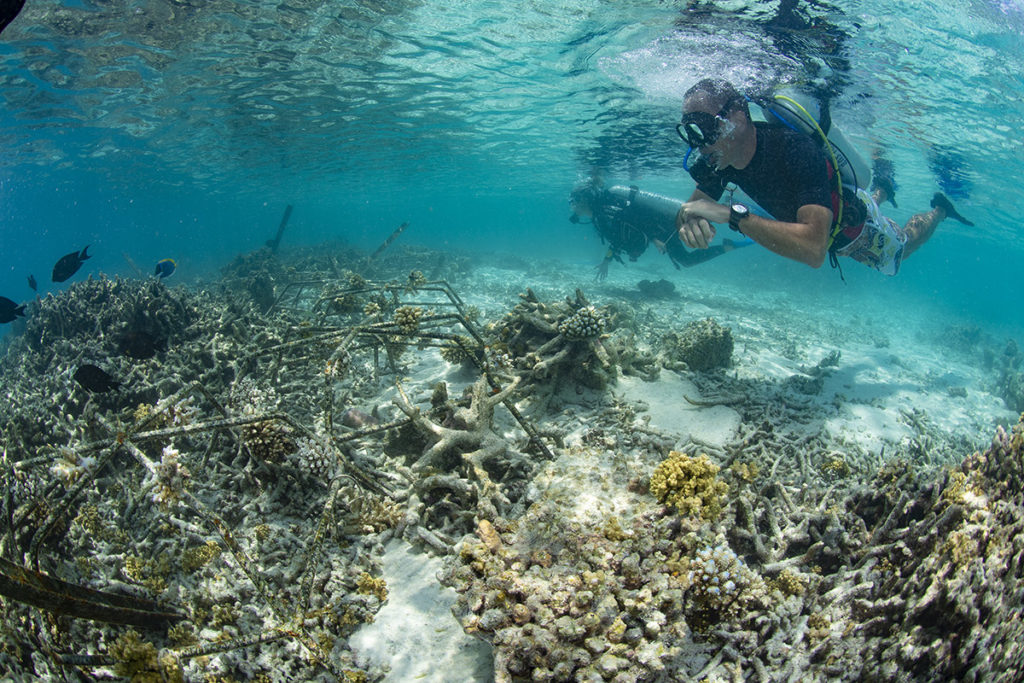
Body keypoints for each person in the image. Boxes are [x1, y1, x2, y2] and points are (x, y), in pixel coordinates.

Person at [673, 78, 972, 275]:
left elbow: (814, 249)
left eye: (704, 127)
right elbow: (690, 210)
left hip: (854, 233)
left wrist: (732, 215)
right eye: (690, 131)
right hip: (837, 200)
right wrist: (690, 221)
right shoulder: (717, 158)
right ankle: (883, 186)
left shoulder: (795, 150)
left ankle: (940, 210)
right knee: (868, 199)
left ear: (738, 116)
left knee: (904, 246)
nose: (698, 142)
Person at [570, 181, 746, 281]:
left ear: (585, 200)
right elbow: (616, 238)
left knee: (685, 260)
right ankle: (728, 243)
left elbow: (637, 219)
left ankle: (728, 246)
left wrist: (654, 238)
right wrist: (607, 260)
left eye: (575, 202)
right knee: (686, 260)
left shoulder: (605, 212)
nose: (573, 207)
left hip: (663, 227)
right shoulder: (602, 213)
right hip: (660, 228)